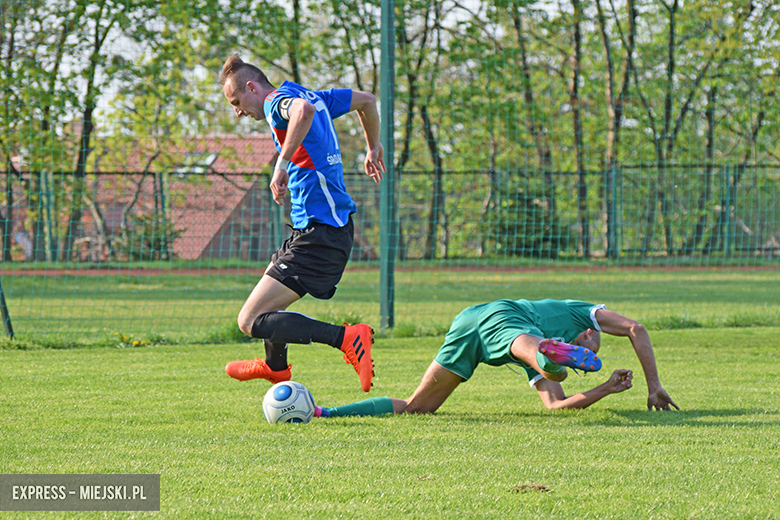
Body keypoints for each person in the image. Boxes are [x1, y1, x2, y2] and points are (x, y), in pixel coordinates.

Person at [218, 54, 385, 392]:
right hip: (314, 229)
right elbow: (367, 101)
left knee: (249, 321)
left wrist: (281, 164)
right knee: (266, 309)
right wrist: (372, 146)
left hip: (320, 233)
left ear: (252, 87)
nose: (238, 111)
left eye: (236, 101)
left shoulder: (277, 103)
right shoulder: (315, 96)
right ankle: (275, 368)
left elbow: (301, 113)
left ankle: (347, 338)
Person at [312, 298, 679, 417]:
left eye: (585, 353)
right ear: (588, 331)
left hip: (467, 324)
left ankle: (326, 413)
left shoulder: (569, 332)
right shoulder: (582, 311)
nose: (588, 343)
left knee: (416, 408)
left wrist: (605, 388)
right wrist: (654, 386)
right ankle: (550, 360)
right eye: (586, 347)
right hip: (504, 319)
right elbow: (636, 328)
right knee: (533, 351)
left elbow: (555, 406)